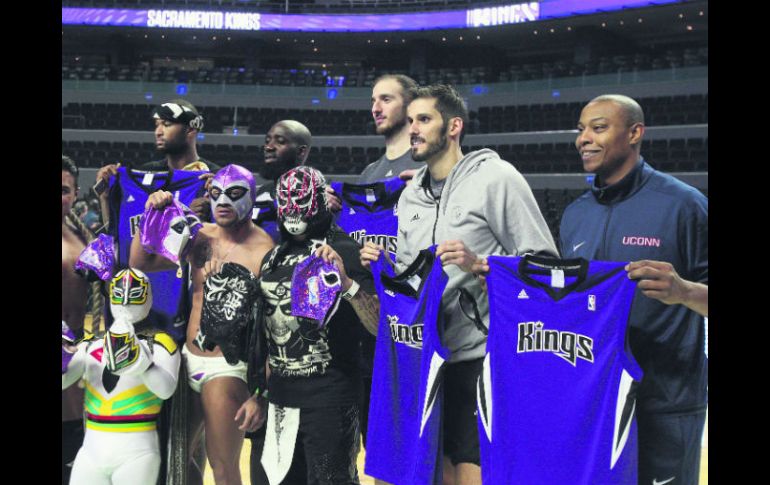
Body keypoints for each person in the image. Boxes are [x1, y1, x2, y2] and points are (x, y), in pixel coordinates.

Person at [360, 84, 557, 485]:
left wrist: (482, 265)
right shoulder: (412, 195)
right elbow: (416, 278)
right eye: (411, 120)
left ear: (454, 126)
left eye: (424, 120)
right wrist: (387, 264)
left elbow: (545, 265)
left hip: (481, 358)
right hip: (426, 362)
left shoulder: (497, 178)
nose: (413, 129)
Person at [559, 94, 708, 485]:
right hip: (595, 401)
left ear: (635, 133)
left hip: (665, 403)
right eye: (580, 129)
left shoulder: (684, 206)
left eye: (599, 127)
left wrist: (684, 292)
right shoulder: (576, 214)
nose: (583, 139)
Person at [130, 164, 275, 485]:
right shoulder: (199, 237)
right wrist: (150, 214)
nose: (223, 201)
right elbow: (140, 263)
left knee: (223, 467)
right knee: (175, 460)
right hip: (186, 360)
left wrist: (261, 394)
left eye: (233, 194)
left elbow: (273, 330)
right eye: (215, 194)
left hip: (228, 369)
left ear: (251, 197)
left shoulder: (266, 252)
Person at [256, 166, 379, 485]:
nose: (294, 210)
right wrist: (257, 392)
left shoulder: (345, 249)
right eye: (287, 201)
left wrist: (348, 283)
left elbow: (379, 325)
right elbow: (267, 334)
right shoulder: (272, 258)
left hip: (331, 400)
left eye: (301, 200)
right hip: (282, 400)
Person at [62, 268, 181, 485]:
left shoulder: (160, 343)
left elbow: (166, 389)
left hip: (137, 450)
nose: (126, 299)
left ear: (148, 296)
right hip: (92, 449)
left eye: (135, 293)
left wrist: (141, 364)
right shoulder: (92, 345)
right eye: (120, 292)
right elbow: (64, 380)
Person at [94, 99, 220, 226]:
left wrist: (218, 200)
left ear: (190, 129)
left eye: (167, 124)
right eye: (157, 125)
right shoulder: (145, 174)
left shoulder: (216, 178)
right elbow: (117, 234)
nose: (158, 132)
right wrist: (105, 198)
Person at [62, 155, 104, 484]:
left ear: (75, 194)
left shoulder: (80, 234)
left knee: (74, 439)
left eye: (64, 190)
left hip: (74, 349)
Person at [253, 119, 312, 243]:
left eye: (280, 142)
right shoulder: (260, 193)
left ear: (301, 151)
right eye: (267, 141)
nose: (268, 147)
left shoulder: (320, 196)